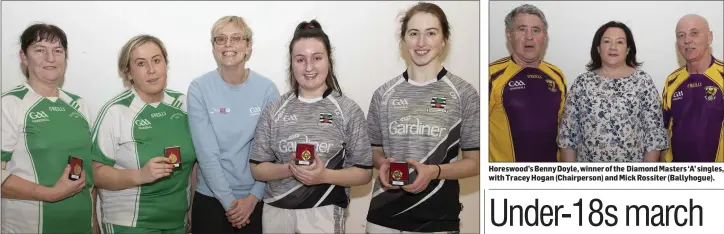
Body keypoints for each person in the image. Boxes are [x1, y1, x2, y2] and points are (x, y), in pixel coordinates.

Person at [249, 19, 373, 234]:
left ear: (328, 60)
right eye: (300, 59)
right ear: (291, 63)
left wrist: (324, 176)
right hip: (276, 211)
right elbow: (257, 169)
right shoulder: (274, 109)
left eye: (316, 58)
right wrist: (290, 169)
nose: (308, 67)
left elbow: (364, 173)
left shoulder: (348, 110)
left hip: (324, 211)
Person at [365, 2, 480, 233]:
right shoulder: (383, 94)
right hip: (383, 217)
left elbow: (475, 162)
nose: (421, 43)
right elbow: (373, 152)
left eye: (431, 33)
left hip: (437, 218)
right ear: (404, 39)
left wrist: (434, 172)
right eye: (414, 33)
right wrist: (382, 164)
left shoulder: (463, 93)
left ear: (444, 40)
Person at [91, 34, 197, 233]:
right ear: (128, 73)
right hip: (129, 224)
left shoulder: (184, 105)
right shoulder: (115, 111)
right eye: (141, 64)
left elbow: (195, 164)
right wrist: (140, 175)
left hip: (177, 222)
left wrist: (193, 207)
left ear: (166, 64)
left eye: (156, 60)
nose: (151, 70)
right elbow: (96, 173)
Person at [187, 16, 279, 234]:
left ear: (248, 47)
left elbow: (271, 151)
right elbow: (206, 153)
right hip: (211, 199)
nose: (228, 45)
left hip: (256, 199)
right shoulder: (199, 88)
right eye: (221, 39)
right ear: (214, 47)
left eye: (236, 38)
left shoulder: (267, 90)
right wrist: (230, 203)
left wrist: (253, 197)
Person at [1, 23, 96, 234]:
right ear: (23, 57)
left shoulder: (79, 105)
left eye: (58, 51)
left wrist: (94, 223)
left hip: (80, 226)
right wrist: (49, 193)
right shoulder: (9, 104)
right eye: (40, 50)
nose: (50, 58)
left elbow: (90, 174)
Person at [558, 21, 668, 162]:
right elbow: (568, 136)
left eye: (620, 42)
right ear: (598, 48)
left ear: (628, 49)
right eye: (607, 41)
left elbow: (654, 135)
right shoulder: (582, 83)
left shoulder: (643, 82)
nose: (613, 47)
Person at [488, 4, 566, 162]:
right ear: (509, 34)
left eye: (536, 30)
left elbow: (565, 132)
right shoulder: (491, 75)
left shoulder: (557, 75)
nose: (529, 36)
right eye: (522, 29)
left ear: (544, 36)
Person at [662, 14, 724, 162]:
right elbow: (663, 130)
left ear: (709, 37)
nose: (687, 40)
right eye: (681, 35)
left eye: (694, 33)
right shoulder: (671, 81)